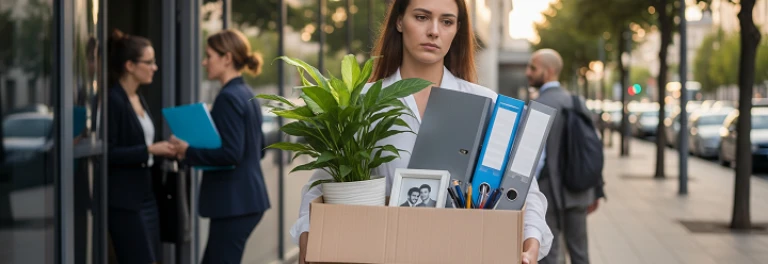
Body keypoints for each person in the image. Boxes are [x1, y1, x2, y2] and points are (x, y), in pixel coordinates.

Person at [291, 0, 553, 263]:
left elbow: (523, 191)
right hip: (379, 254)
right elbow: (325, 183)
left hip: (462, 254)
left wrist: (530, 243)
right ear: (399, 21)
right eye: (421, 17)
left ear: (456, 30)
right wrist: (308, 235)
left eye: (447, 21)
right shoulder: (361, 102)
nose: (434, 31)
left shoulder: (488, 104)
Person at [169, 29, 270, 264]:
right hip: (244, 201)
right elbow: (258, 146)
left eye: (209, 55)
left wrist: (186, 151)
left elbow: (231, 154)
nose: (204, 62)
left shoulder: (228, 97)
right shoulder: (246, 93)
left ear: (227, 58)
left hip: (235, 204)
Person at [526, 49, 605, 264]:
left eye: (533, 68)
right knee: (580, 252)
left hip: (549, 192)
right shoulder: (577, 101)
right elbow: (593, 145)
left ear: (549, 71)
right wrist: (596, 188)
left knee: (550, 253)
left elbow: (534, 156)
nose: (528, 72)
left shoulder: (540, 104)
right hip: (578, 190)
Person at [106, 29, 174, 263]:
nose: (154, 67)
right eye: (149, 62)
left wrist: (163, 150)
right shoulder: (113, 99)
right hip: (125, 200)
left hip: (147, 194)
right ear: (130, 65)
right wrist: (149, 150)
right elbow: (109, 152)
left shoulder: (138, 96)